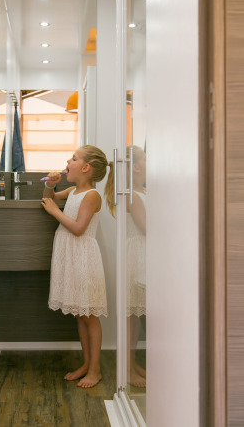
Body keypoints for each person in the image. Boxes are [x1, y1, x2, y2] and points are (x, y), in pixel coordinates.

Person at [41, 145, 114, 388]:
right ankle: (86, 363)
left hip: (83, 258)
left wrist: (54, 212)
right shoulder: (73, 191)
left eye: (73, 158)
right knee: (80, 316)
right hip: (71, 257)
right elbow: (49, 198)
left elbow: (78, 228)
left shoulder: (91, 196)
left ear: (85, 168)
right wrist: (50, 185)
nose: (67, 162)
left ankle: (95, 369)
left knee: (90, 316)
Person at [126, 145, 146, 388]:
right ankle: (128, 370)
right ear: (137, 166)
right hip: (137, 255)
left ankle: (133, 365)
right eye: (145, 159)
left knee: (137, 315)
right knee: (131, 316)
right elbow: (146, 228)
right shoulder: (133, 195)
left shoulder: (143, 192)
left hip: (144, 254)